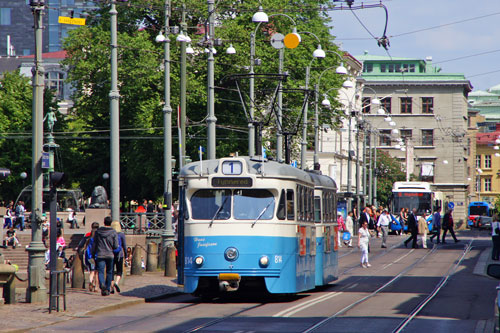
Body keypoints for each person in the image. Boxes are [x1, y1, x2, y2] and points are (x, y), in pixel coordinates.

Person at [91, 216, 119, 296]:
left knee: (101, 271)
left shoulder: (98, 232)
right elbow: (116, 245)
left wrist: (93, 254)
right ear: (110, 223)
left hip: (100, 254)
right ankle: (107, 288)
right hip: (110, 254)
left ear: (104, 222)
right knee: (110, 272)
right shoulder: (113, 232)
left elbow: (94, 244)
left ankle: (102, 284)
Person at [76, 222, 99, 292]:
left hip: (88, 256)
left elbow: (81, 244)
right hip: (96, 256)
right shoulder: (99, 236)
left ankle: (90, 281)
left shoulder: (88, 235)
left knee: (91, 271)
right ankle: (96, 287)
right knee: (96, 272)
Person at [110, 221, 126, 294]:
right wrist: (125, 253)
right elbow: (124, 245)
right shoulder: (121, 234)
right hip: (120, 255)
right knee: (119, 271)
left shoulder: (110, 234)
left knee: (111, 271)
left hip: (111, 254)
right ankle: (116, 282)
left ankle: (112, 287)